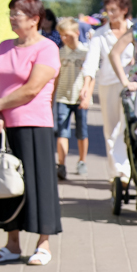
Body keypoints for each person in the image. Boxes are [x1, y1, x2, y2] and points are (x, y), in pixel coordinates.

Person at [0, 0, 62, 267]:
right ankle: (12, 244)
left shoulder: (47, 48)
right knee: (6, 184)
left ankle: (43, 244)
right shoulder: (5, 47)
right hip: (4, 127)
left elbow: (32, 88)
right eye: (11, 13)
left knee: (38, 184)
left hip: (34, 123)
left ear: (34, 19)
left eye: (17, 13)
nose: (12, 17)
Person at [81, 0, 134, 185]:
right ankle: (117, 174)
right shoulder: (100, 33)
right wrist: (87, 85)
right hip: (109, 84)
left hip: (133, 84)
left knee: (132, 127)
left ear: (124, 10)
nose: (110, 14)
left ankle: (132, 168)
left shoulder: (135, 31)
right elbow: (91, 61)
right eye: (108, 10)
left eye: (114, 10)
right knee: (111, 130)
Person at [54, 17, 90, 180]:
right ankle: (61, 164)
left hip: (80, 98)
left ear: (76, 33)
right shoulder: (60, 52)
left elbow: (91, 76)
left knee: (82, 132)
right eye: (61, 35)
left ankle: (82, 160)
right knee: (62, 131)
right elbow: (56, 76)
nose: (64, 38)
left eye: (67, 35)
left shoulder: (86, 52)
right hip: (63, 96)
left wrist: (87, 95)